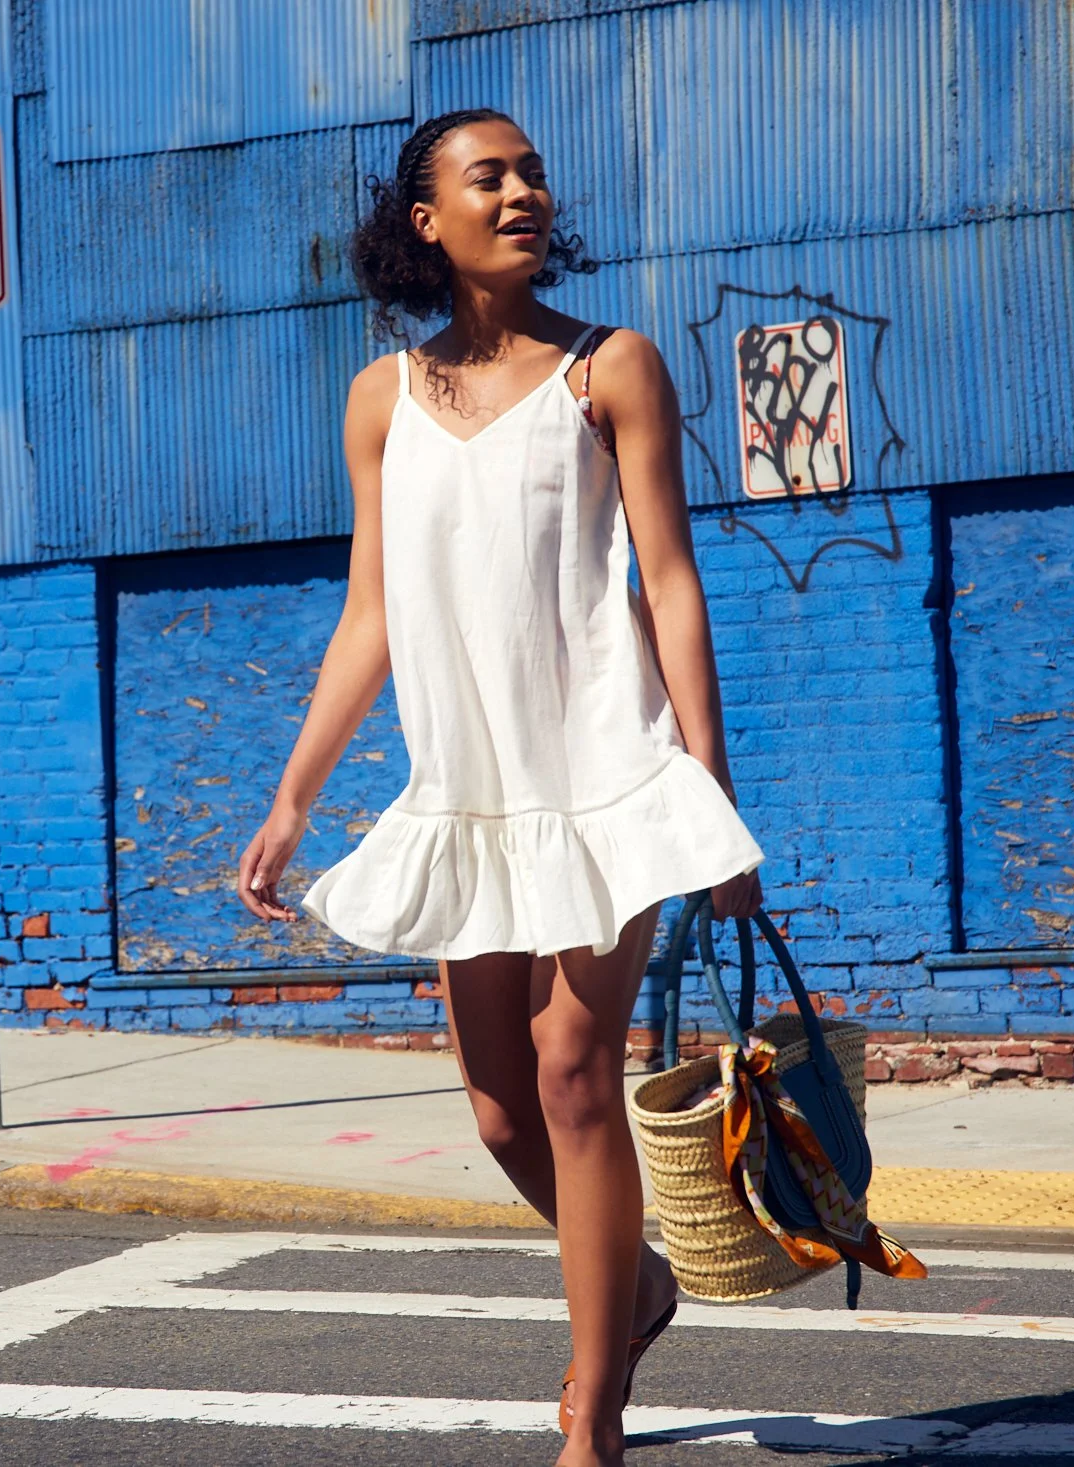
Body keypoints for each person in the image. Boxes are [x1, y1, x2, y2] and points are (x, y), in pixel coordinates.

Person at [235, 108, 767, 1467]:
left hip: (607, 776)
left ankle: (595, 1408)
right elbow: (371, 615)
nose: (524, 190)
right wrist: (296, 796)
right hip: (467, 787)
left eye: (534, 171)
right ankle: (637, 1285)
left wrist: (708, 793)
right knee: (495, 1105)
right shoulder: (380, 400)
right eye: (491, 176)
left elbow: (669, 583)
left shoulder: (611, 370)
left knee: (575, 1070)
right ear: (427, 219)